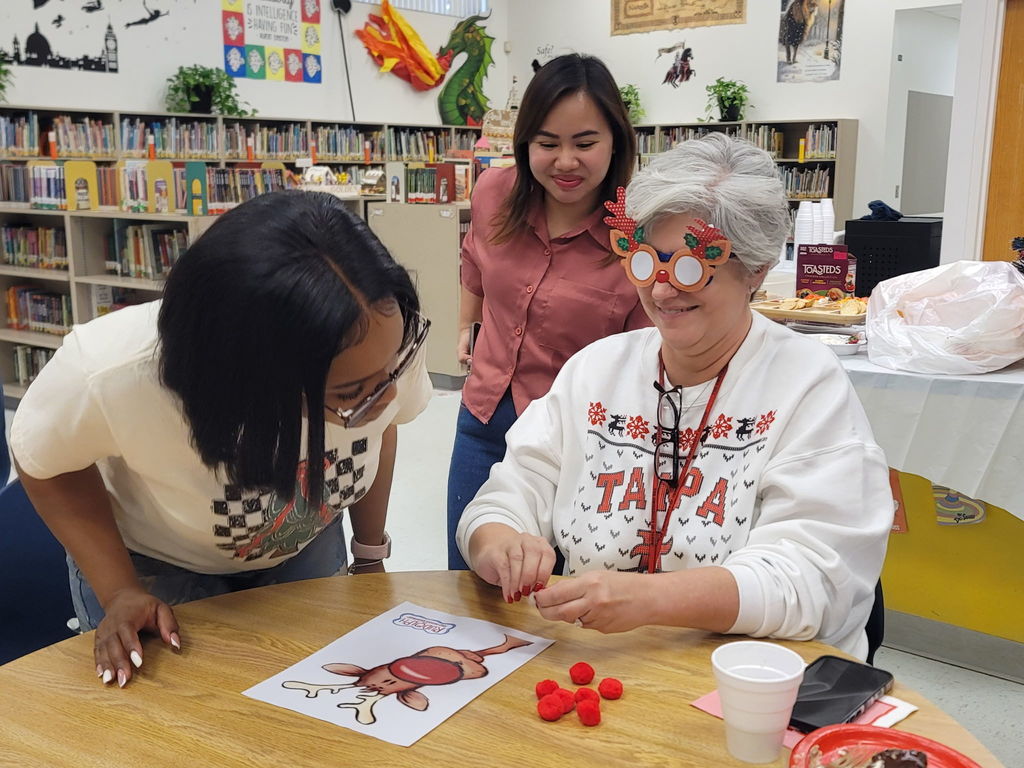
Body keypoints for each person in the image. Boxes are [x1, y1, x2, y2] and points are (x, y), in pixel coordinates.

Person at [456, 134, 892, 659]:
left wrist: (651, 599)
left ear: (755, 270)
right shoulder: (595, 370)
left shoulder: (807, 386)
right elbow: (513, 489)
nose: (661, 291)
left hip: (749, 683)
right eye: (645, 263)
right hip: (603, 667)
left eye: (690, 268)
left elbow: (815, 582)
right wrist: (497, 538)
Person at [11, 191, 432, 687]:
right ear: (252, 377)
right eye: (351, 393)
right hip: (160, 569)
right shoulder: (110, 375)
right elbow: (43, 461)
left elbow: (380, 436)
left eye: (391, 372)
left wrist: (368, 554)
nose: (385, 398)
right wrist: (119, 590)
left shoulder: (377, 340)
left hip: (306, 544)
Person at [448, 53, 651, 570]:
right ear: (525, 144)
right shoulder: (495, 192)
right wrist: (464, 326)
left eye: (585, 143)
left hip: (576, 442)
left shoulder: (639, 232)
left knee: (555, 594)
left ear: (615, 142)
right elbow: (474, 262)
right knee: (469, 578)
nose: (565, 161)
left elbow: (646, 358)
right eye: (547, 143)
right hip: (485, 416)